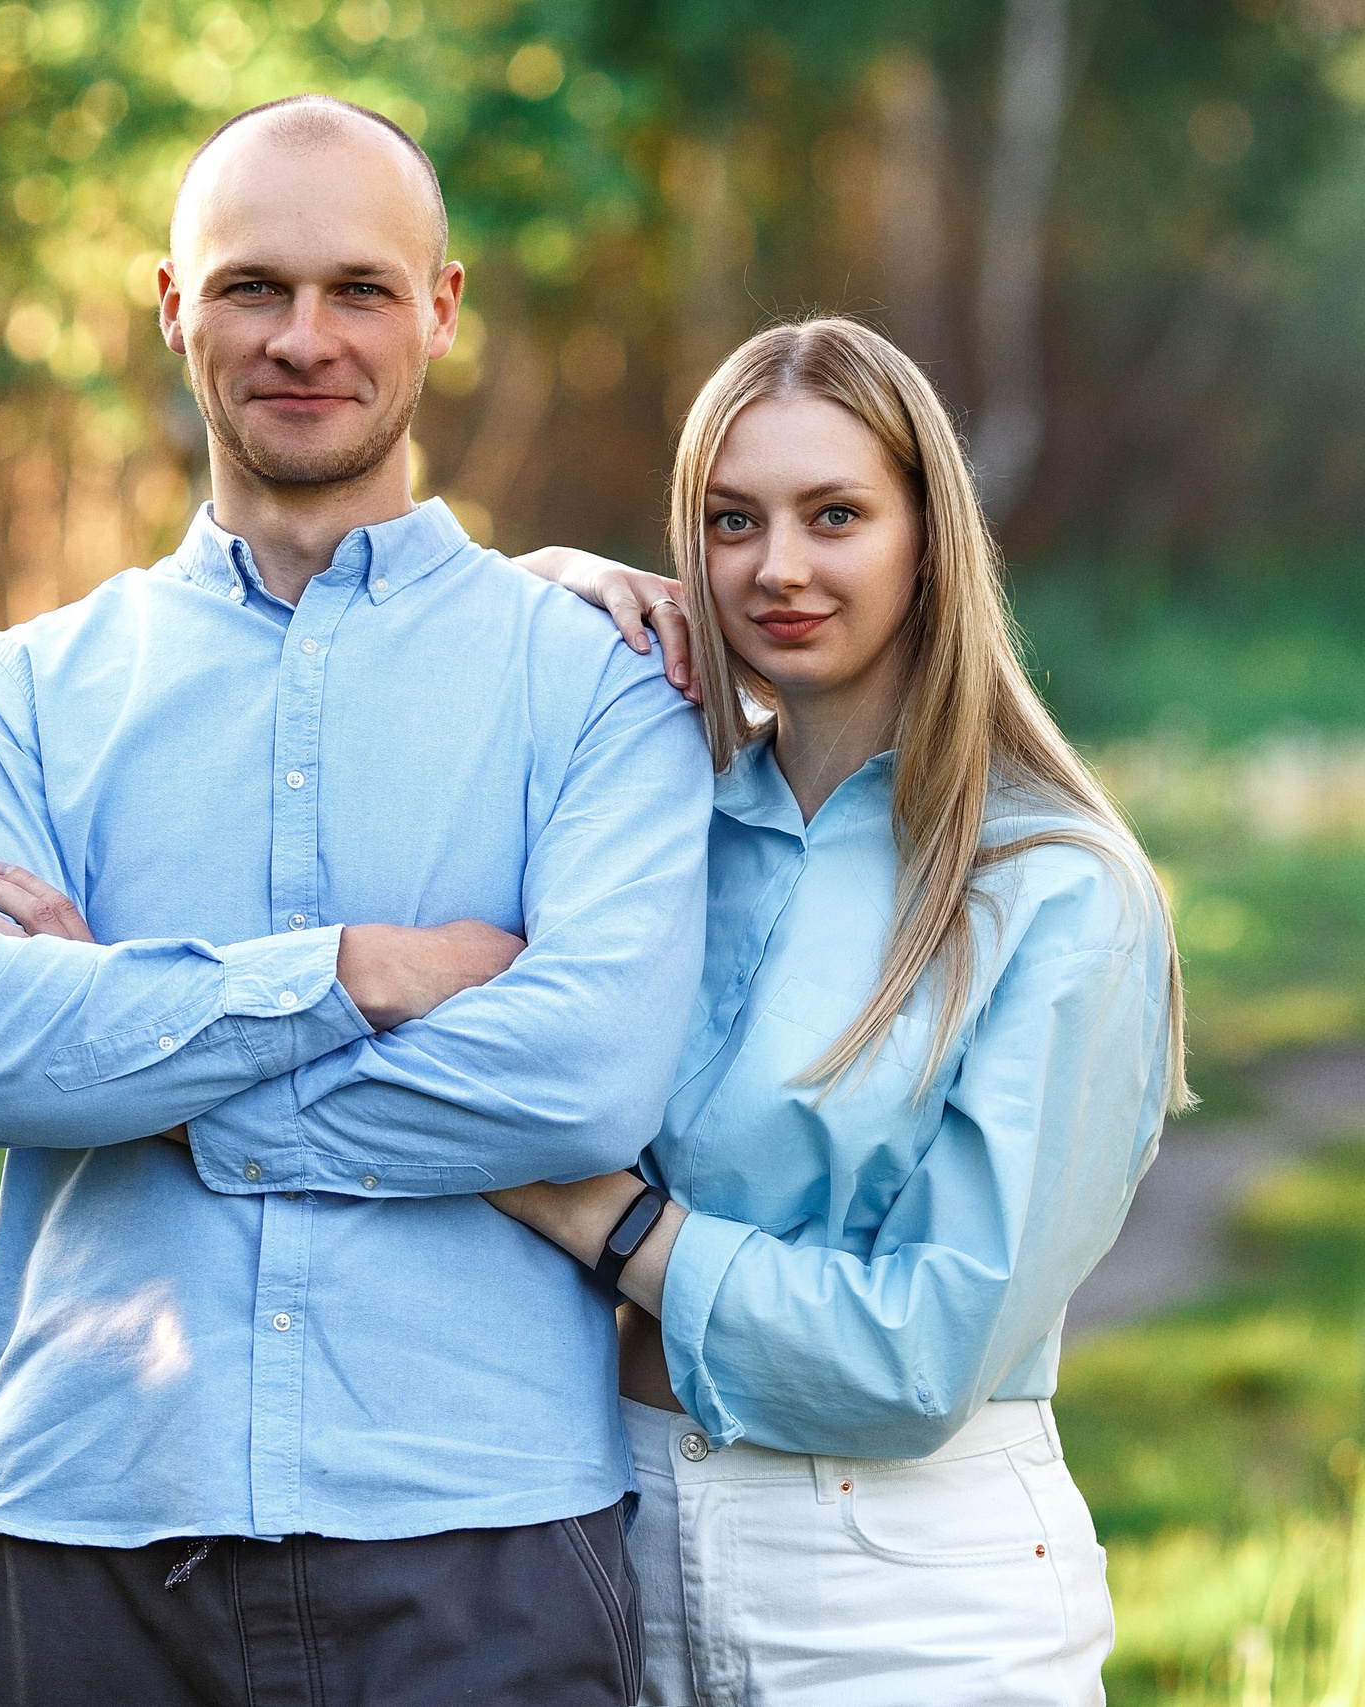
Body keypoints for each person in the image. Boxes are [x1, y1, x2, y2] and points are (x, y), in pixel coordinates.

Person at [0, 94, 712, 1707]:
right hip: (85, 1539)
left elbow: (588, 1074)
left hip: (486, 1540)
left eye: (361, 291)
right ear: (175, 307)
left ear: (443, 311)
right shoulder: (28, 691)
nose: (304, 340)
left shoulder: (597, 682)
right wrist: (360, 971)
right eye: (254, 287)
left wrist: (140, 1058)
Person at [487, 317, 1192, 1705]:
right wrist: (537, 595)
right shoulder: (648, 824)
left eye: (837, 515)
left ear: (930, 536)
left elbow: (924, 1352)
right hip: (610, 1551)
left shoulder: (1055, 889)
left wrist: (609, 1222)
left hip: (908, 1591)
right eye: (731, 519)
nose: (779, 567)